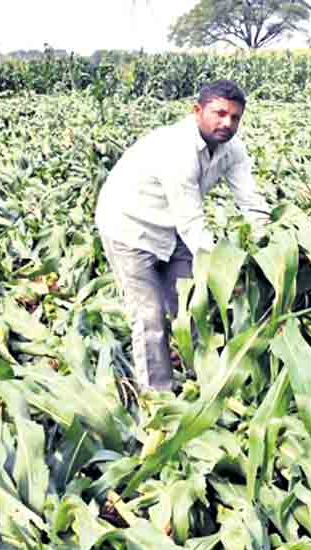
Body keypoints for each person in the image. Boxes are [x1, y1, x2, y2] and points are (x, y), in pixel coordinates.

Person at [95, 79, 270, 392]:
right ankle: (157, 397)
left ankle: (202, 377)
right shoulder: (178, 149)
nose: (227, 123)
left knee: (191, 305)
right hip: (130, 228)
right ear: (197, 111)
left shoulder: (233, 149)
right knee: (148, 316)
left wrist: (269, 243)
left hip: (172, 229)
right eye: (219, 113)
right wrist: (227, 271)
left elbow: (250, 201)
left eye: (235, 117)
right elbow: (191, 222)